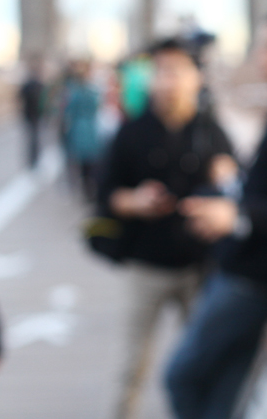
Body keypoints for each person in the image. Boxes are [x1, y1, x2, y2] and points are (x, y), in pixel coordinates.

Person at [165, 13, 267, 419]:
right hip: (252, 269)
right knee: (227, 386)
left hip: (255, 275)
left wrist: (239, 216)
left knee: (182, 377)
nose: (261, 55)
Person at [96, 36, 235, 419]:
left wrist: (224, 183)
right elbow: (105, 194)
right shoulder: (132, 131)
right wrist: (136, 201)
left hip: (201, 266)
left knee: (204, 365)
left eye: (175, 70)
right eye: (159, 70)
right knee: (131, 365)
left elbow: (237, 188)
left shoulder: (210, 129)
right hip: (147, 265)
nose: (165, 79)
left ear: (196, 78)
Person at [62, 59, 102, 201]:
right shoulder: (93, 91)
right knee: (92, 161)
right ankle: (91, 188)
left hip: (79, 127)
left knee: (82, 162)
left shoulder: (75, 92)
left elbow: (69, 110)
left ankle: (86, 190)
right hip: (90, 127)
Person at [18, 57, 46, 168]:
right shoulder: (38, 85)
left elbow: (20, 98)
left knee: (32, 138)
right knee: (35, 138)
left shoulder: (29, 85)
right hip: (34, 115)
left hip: (30, 114)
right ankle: (34, 159)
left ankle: (33, 159)